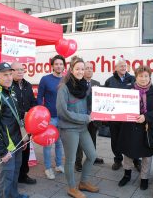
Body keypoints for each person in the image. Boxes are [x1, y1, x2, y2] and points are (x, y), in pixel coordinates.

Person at [57, 56, 98, 198]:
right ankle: (72, 188)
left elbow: (88, 105)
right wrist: (85, 118)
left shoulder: (85, 86)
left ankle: (83, 182)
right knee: (71, 160)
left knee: (92, 155)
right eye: (78, 69)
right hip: (69, 129)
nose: (81, 71)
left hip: (82, 127)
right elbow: (63, 112)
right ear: (71, 70)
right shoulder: (64, 87)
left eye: (83, 68)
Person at [118, 65, 153, 190]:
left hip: (147, 129)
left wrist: (146, 116)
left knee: (146, 156)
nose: (143, 79)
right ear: (136, 77)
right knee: (127, 152)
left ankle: (144, 178)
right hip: (130, 127)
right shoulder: (128, 90)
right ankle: (127, 175)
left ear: (149, 77)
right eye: (140, 76)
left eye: (146, 76)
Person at [0, 62, 29, 198]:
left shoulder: (11, 91)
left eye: (10, 74)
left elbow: (16, 118)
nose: (9, 78)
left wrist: (23, 139)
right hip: (7, 147)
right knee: (6, 178)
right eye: (5, 75)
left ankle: (14, 195)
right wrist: (2, 151)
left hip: (17, 142)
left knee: (15, 174)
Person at [104, 57, 141, 171]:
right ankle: (118, 160)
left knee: (132, 139)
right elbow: (104, 97)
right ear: (115, 68)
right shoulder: (109, 81)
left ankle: (136, 161)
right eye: (121, 66)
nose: (123, 67)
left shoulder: (134, 79)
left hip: (129, 117)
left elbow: (141, 93)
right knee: (115, 139)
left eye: (125, 66)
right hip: (114, 117)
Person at [37, 55, 65, 180]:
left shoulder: (66, 80)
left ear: (64, 66)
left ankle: (59, 165)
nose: (59, 66)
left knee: (59, 143)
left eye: (61, 64)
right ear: (52, 66)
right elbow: (39, 98)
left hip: (63, 118)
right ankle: (48, 168)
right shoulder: (45, 79)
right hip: (50, 118)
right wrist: (42, 116)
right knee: (48, 144)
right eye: (56, 64)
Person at [75, 61, 104, 172]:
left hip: (94, 118)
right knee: (80, 141)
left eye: (91, 68)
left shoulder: (97, 83)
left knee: (93, 138)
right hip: (82, 117)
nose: (89, 70)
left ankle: (92, 157)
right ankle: (78, 162)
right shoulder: (77, 83)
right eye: (86, 68)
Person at [11, 61, 37, 185]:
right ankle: (14, 176)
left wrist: (34, 110)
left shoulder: (28, 85)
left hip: (27, 123)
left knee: (26, 149)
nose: (20, 72)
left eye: (22, 69)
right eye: (17, 70)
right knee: (16, 150)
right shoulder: (9, 86)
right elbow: (12, 105)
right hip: (14, 124)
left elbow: (32, 100)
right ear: (11, 72)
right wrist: (24, 113)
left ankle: (23, 175)